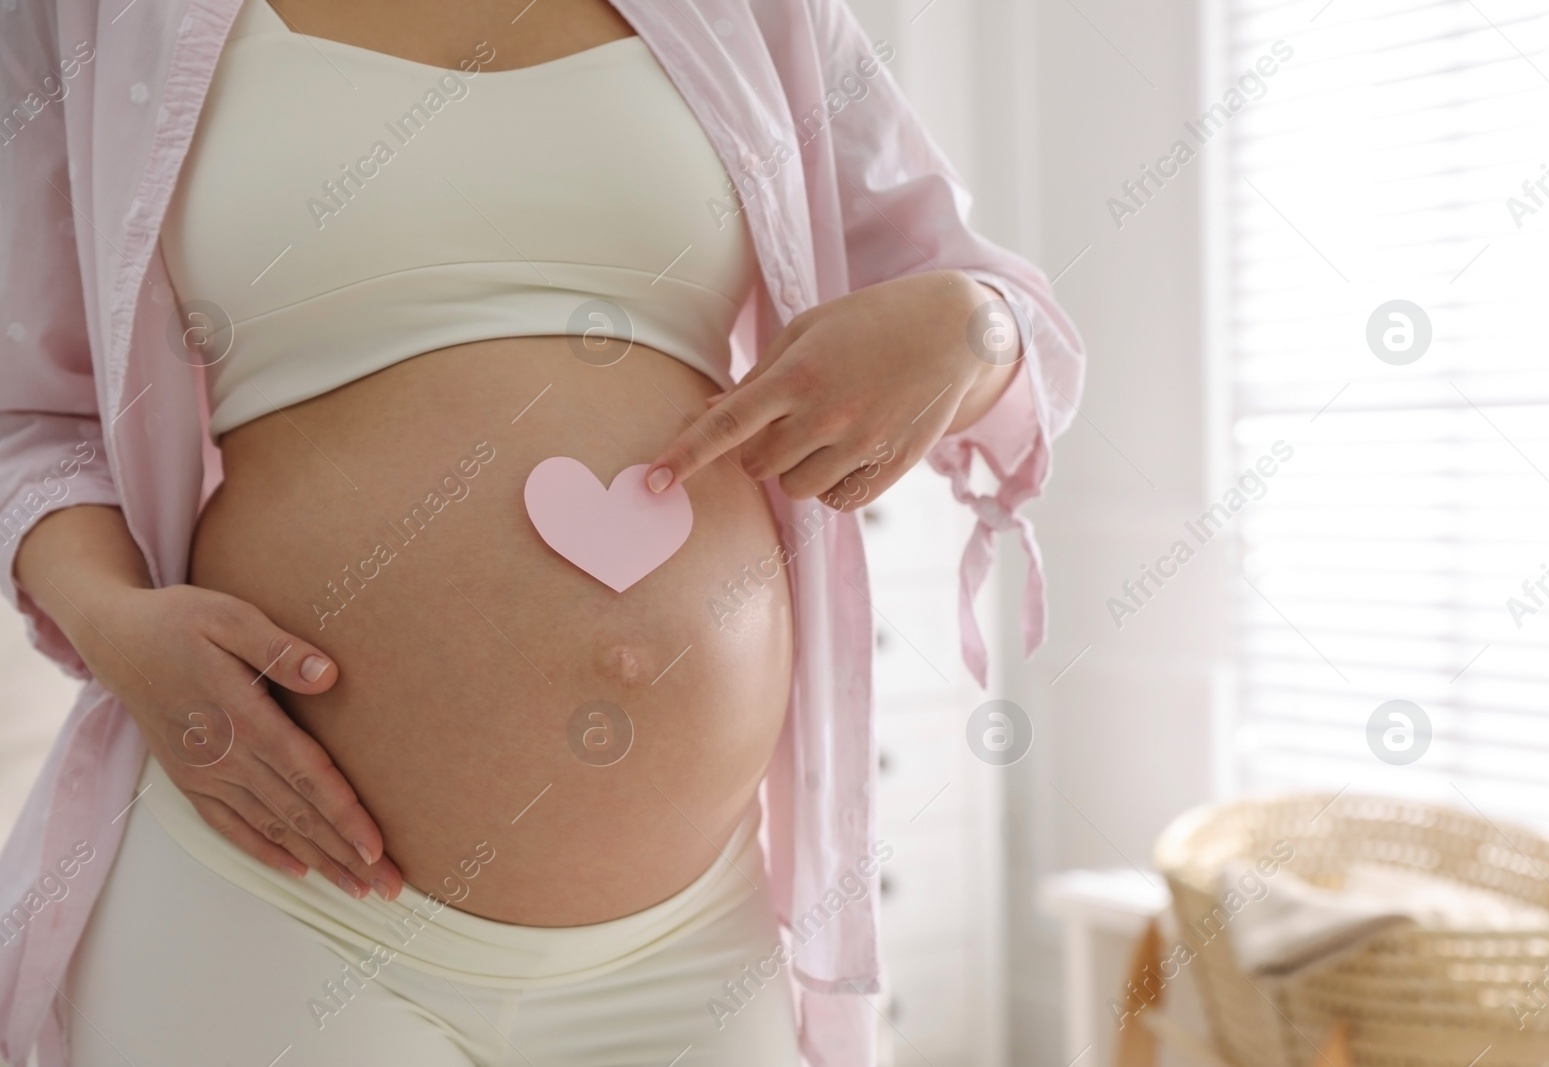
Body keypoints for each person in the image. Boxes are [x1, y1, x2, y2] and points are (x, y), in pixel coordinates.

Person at [0, 0, 1084, 1062]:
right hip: (276, 902)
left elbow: (1009, 325)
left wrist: (970, 329)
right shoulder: (89, 18)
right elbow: (26, 414)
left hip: (694, 942)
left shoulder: (759, 13)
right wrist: (110, 617)